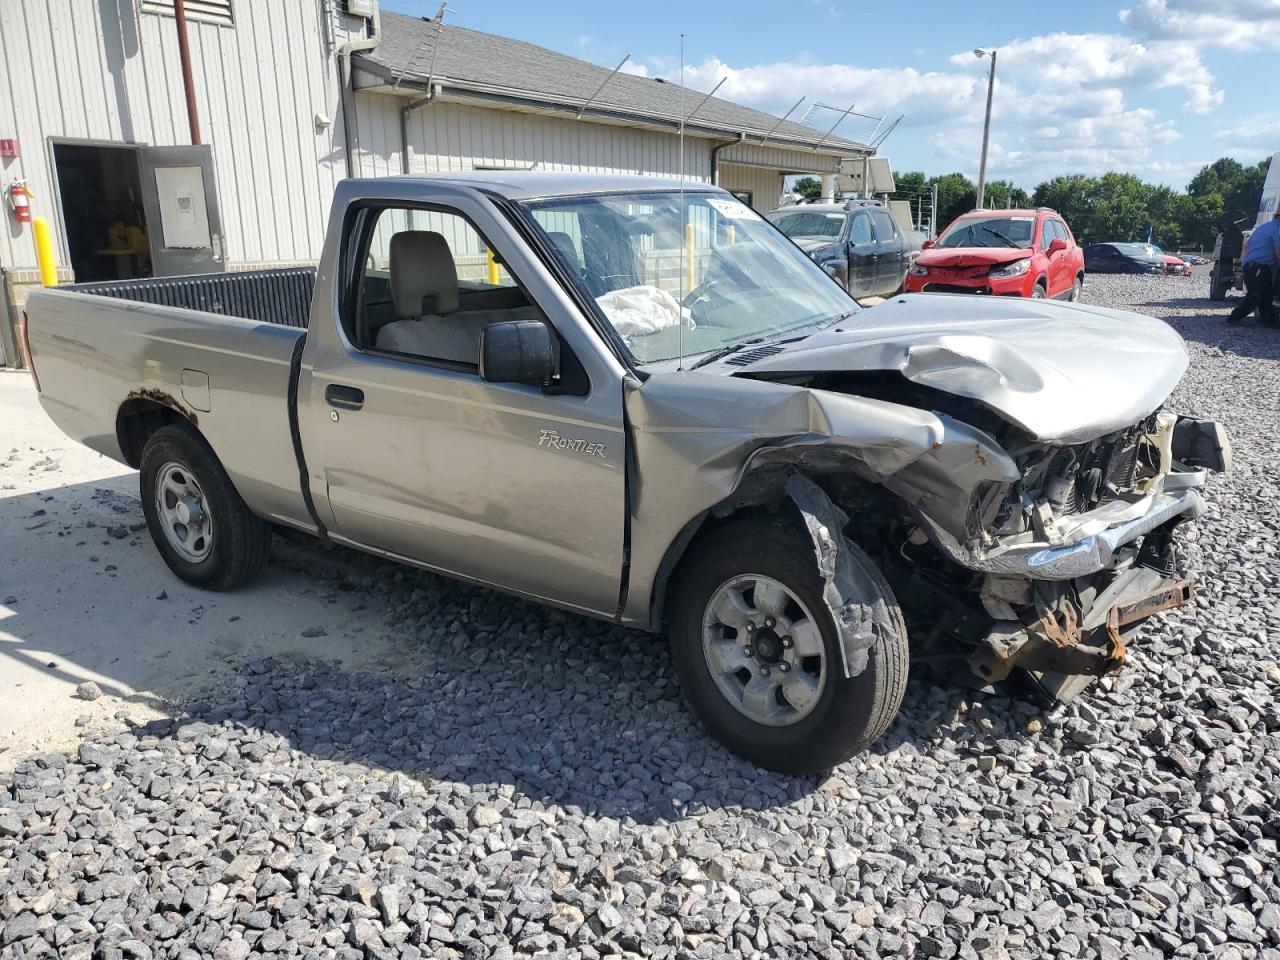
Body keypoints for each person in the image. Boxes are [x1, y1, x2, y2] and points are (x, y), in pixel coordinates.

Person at [1228, 210, 1280, 325]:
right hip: (1258, 266)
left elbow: (1247, 246)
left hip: (1254, 265)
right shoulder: (1277, 229)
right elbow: (1278, 251)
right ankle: (1234, 318)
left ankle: (1268, 321)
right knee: (1255, 296)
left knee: (1266, 295)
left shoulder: (1264, 227)